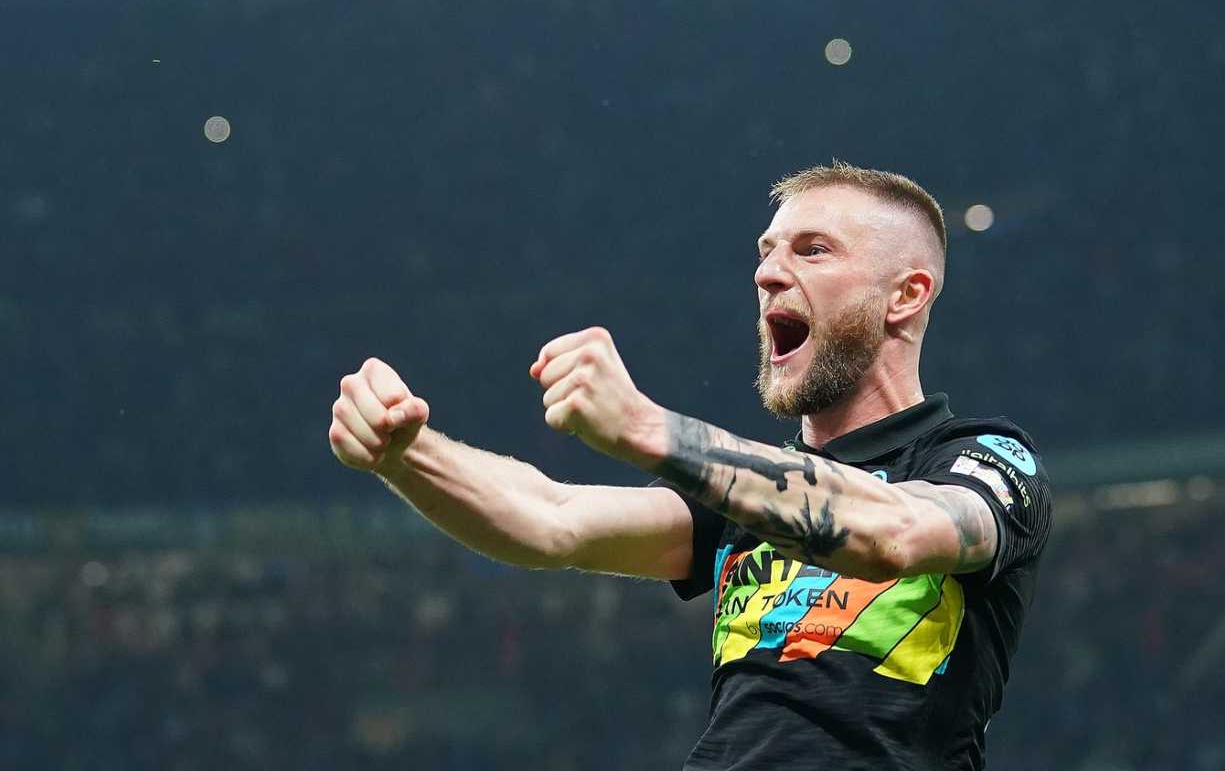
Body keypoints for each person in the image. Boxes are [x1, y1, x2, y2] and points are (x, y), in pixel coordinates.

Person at [327, 161, 1053, 770]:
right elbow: (551, 519)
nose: (768, 273)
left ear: (906, 295)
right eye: (766, 252)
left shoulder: (986, 460)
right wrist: (406, 453)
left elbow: (895, 533)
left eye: (813, 250)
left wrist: (647, 428)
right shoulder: (742, 497)